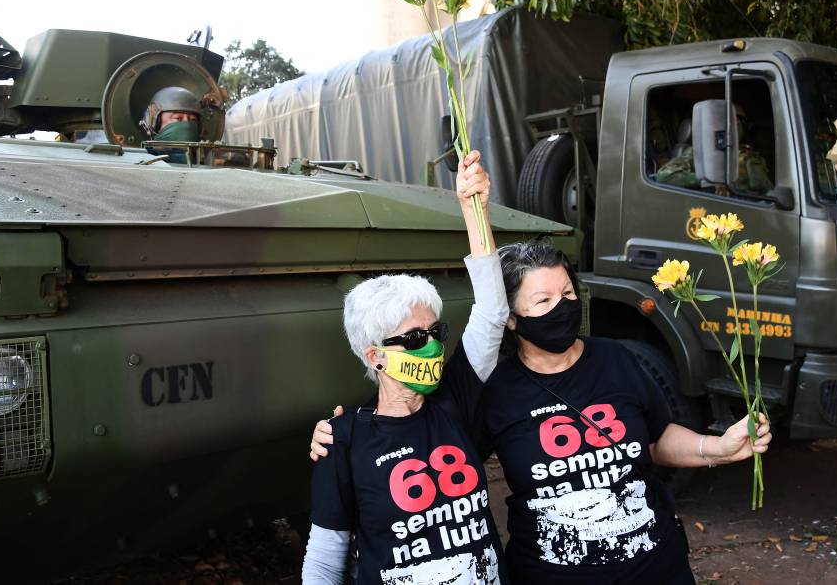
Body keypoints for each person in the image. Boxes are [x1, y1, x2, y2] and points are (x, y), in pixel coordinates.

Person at [311, 238, 773, 584]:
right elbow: (411, 446)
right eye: (544, 301)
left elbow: (652, 440)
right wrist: (342, 435)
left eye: (568, 294)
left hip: (656, 567)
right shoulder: (490, 393)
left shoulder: (615, 358)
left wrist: (719, 447)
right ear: (514, 318)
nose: (563, 308)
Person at [302, 150, 511, 585]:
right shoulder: (342, 440)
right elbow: (324, 560)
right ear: (374, 355)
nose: (432, 347)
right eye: (416, 338)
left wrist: (474, 211)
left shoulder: (456, 401)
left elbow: (492, 311)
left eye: (437, 332)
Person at [655, 104, 774, 195]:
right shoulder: (700, 152)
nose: (735, 124)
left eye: (739, 121)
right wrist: (709, 180)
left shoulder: (749, 157)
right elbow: (665, 177)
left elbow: (770, 195)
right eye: (731, 120)